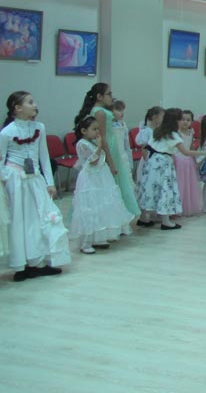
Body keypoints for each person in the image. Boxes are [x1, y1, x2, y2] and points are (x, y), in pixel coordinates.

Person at [1, 91, 70, 281]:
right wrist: (7, 180)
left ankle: (38, 261)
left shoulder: (39, 128)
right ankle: (20, 264)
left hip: (35, 179)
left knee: (39, 219)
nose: (35, 105)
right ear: (17, 108)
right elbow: (1, 160)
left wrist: (50, 182)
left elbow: (44, 157)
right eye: (30, 102)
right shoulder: (7, 132)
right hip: (16, 181)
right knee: (19, 221)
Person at [137, 108, 206, 230]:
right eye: (180, 119)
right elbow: (186, 152)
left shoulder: (158, 131)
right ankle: (165, 221)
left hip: (152, 163)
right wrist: (205, 153)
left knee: (149, 189)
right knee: (166, 190)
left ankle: (143, 218)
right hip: (164, 164)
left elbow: (147, 146)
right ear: (175, 121)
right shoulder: (173, 135)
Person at [75, 83, 140, 219]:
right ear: (99, 96)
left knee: (116, 182)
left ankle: (118, 216)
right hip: (109, 149)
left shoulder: (100, 110)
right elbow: (102, 137)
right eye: (109, 94)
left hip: (111, 146)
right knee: (115, 182)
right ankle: (117, 216)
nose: (111, 97)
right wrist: (111, 162)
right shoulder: (100, 112)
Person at [70, 116, 134, 254]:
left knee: (101, 205)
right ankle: (86, 242)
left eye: (98, 129)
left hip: (100, 177)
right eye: (94, 129)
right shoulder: (82, 144)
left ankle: (98, 237)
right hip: (90, 179)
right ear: (84, 131)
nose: (97, 132)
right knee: (90, 207)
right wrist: (100, 146)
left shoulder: (91, 142)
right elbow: (93, 160)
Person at [175, 110, 204, 217]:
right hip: (178, 160)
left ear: (191, 122)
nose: (185, 122)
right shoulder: (176, 133)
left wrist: (195, 159)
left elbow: (191, 147)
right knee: (180, 184)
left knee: (188, 185)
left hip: (188, 161)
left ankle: (187, 207)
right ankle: (177, 208)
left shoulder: (191, 132)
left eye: (188, 120)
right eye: (183, 119)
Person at [135, 106, 164, 184]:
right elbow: (144, 149)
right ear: (155, 117)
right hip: (149, 160)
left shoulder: (158, 131)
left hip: (158, 160)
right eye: (162, 116)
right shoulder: (146, 131)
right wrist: (147, 162)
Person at [110, 100, 133, 177]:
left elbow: (127, 145)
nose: (122, 113)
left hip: (123, 156)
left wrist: (130, 162)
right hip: (113, 156)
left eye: (122, 110)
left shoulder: (123, 125)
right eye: (118, 110)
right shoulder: (108, 126)